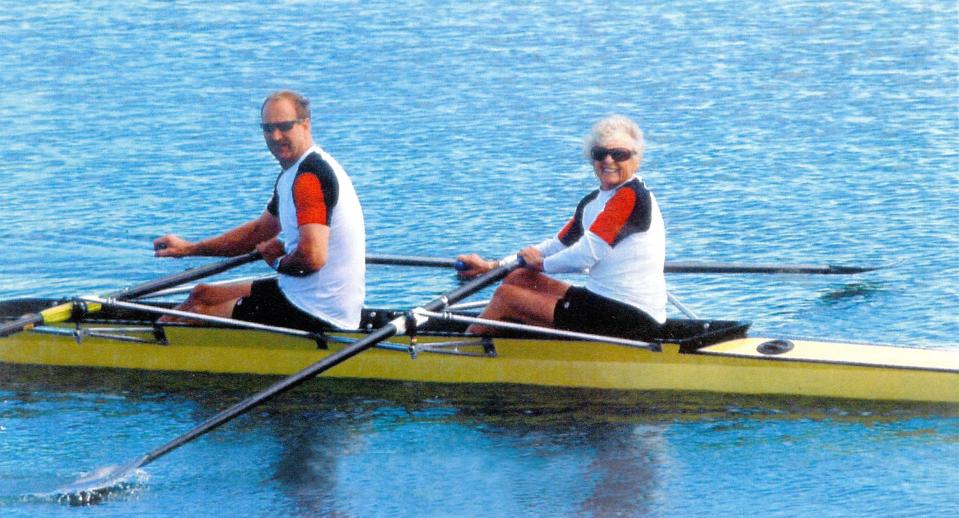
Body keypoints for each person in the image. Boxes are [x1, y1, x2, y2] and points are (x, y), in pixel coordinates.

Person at [153, 90, 365, 331]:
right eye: (267, 128)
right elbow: (259, 232)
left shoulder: (310, 178)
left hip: (317, 311)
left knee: (198, 313)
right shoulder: (293, 174)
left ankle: (154, 354)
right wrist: (188, 248)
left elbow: (313, 257)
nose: (275, 136)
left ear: (305, 125)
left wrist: (277, 262)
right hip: (303, 293)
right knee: (201, 295)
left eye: (284, 126)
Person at [457, 114, 666, 340]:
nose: (608, 160)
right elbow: (557, 245)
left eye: (619, 154)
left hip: (631, 317)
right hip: (602, 303)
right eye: (600, 154)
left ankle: (456, 355)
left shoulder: (630, 197)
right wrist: (492, 266)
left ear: (636, 160)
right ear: (591, 158)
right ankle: (505, 340)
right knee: (519, 278)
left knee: (505, 297)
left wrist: (541, 264)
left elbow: (585, 255)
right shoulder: (593, 202)